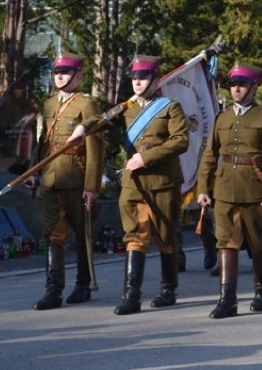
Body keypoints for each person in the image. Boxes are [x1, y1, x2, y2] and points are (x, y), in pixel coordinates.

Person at [68, 55, 190, 315]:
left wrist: (146, 156)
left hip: (162, 183)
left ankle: (168, 289)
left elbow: (181, 141)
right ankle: (131, 295)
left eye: (143, 77)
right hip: (133, 185)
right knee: (135, 237)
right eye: (134, 77)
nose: (137, 82)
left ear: (155, 80)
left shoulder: (171, 108)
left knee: (166, 237)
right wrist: (83, 128)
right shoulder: (127, 107)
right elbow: (101, 120)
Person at [197, 63, 262, 318]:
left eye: (242, 84)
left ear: (253, 87)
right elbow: (210, 154)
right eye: (233, 84)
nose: (236, 88)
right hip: (223, 188)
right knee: (225, 242)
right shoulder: (221, 117)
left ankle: (261, 291)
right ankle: (227, 299)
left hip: (253, 189)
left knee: (257, 243)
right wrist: (204, 187)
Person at [26, 53, 105, 311]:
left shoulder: (86, 104)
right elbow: (42, 142)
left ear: (79, 76)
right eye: (57, 72)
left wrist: (92, 186)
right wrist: (32, 174)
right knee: (53, 234)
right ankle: (53, 290)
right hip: (50, 178)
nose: (60, 76)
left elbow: (96, 147)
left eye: (66, 72)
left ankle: (83, 284)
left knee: (83, 234)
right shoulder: (48, 105)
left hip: (77, 178)